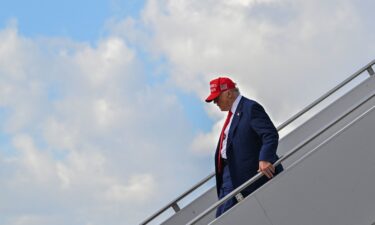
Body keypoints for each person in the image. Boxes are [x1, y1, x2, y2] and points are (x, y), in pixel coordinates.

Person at [205, 77, 283, 217]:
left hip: (242, 176)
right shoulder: (233, 115)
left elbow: (270, 134)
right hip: (229, 176)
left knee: (223, 218)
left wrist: (265, 158)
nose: (215, 102)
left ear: (229, 93)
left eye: (217, 98)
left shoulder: (250, 108)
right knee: (222, 217)